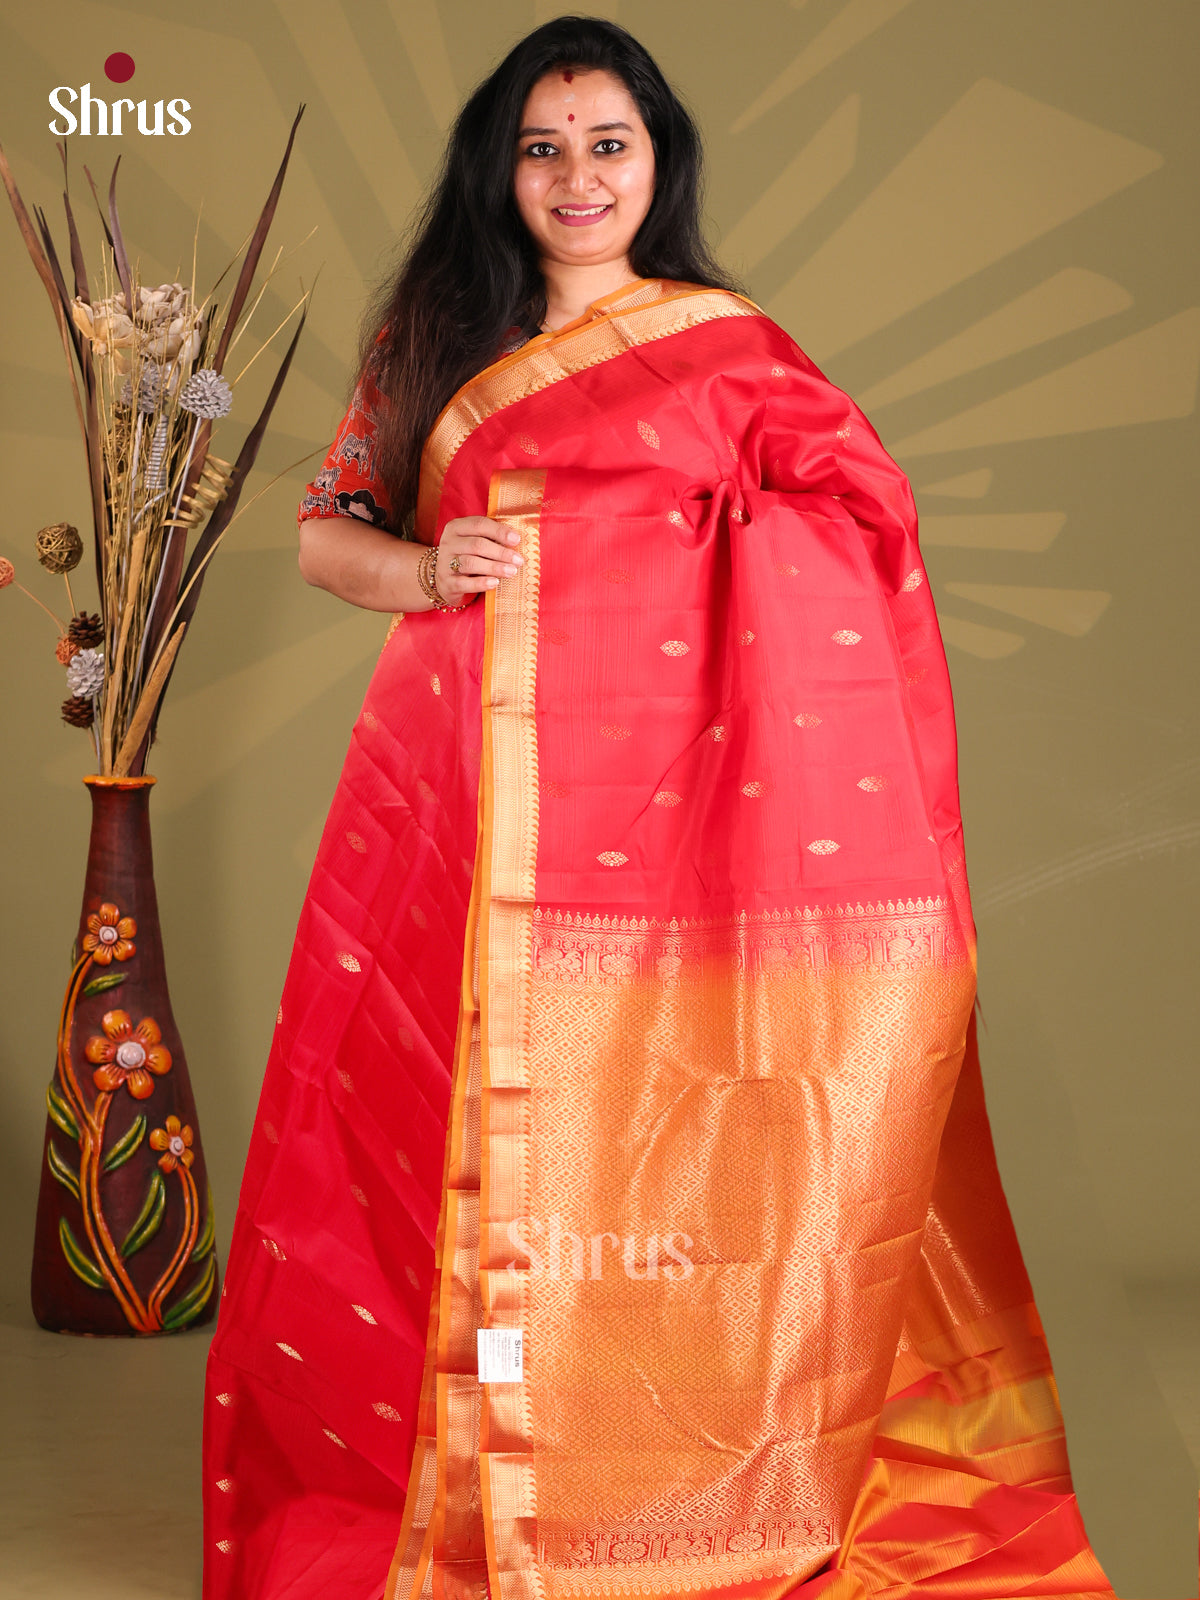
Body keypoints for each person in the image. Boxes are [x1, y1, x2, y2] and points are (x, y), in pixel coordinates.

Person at [203, 17, 1119, 1600]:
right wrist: (428, 566)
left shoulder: (734, 351)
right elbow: (324, 534)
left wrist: (623, 539)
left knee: (653, 1156)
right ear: (500, 170)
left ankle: (666, 1498)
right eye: (543, 148)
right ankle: (483, 1492)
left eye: (608, 145)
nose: (578, 177)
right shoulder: (434, 342)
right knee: (454, 1147)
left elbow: (861, 527)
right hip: (463, 813)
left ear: (659, 163)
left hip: (678, 852)